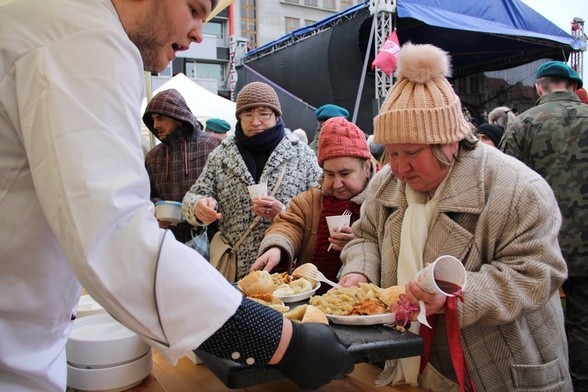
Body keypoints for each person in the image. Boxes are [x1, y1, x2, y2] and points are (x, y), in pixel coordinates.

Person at [0, 1, 354, 391]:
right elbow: (116, 240)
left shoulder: (298, 154)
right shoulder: (85, 38)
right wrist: (286, 343)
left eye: (263, 114)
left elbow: (308, 209)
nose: (200, 33)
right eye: (195, 8)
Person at [339, 43, 571, 391]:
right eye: (392, 152)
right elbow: (366, 236)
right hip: (410, 365)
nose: (399, 167)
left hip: (501, 366)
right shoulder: (386, 181)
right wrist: (359, 271)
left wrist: (455, 296)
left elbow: (538, 272)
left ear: (449, 142)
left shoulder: (517, 187)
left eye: (412, 153)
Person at [499, 60, 587, 392]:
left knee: (539, 320)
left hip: (541, 243)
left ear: (540, 87)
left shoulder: (523, 124)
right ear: (575, 88)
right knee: (584, 321)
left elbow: (507, 188)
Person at [183, 81, 322, 280]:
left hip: (285, 269)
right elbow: (192, 197)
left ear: (276, 115)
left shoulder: (301, 154)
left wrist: (283, 213)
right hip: (235, 272)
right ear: (239, 118)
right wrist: (198, 207)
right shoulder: (222, 155)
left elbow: (320, 209)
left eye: (264, 113)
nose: (255, 121)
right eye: (247, 114)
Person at [252, 117, 373, 293]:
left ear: (367, 167)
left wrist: (358, 242)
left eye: (345, 173)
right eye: (330, 174)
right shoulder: (309, 201)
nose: (337, 183)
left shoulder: (379, 203)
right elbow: (288, 224)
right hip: (311, 302)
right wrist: (276, 248)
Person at [144, 88, 221, 243]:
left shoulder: (212, 145)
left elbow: (228, 192)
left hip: (211, 240)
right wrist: (154, 209)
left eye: (160, 118)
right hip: (167, 241)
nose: (156, 124)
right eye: (153, 119)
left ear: (178, 116)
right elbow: (145, 195)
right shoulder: (153, 156)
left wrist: (208, 207)